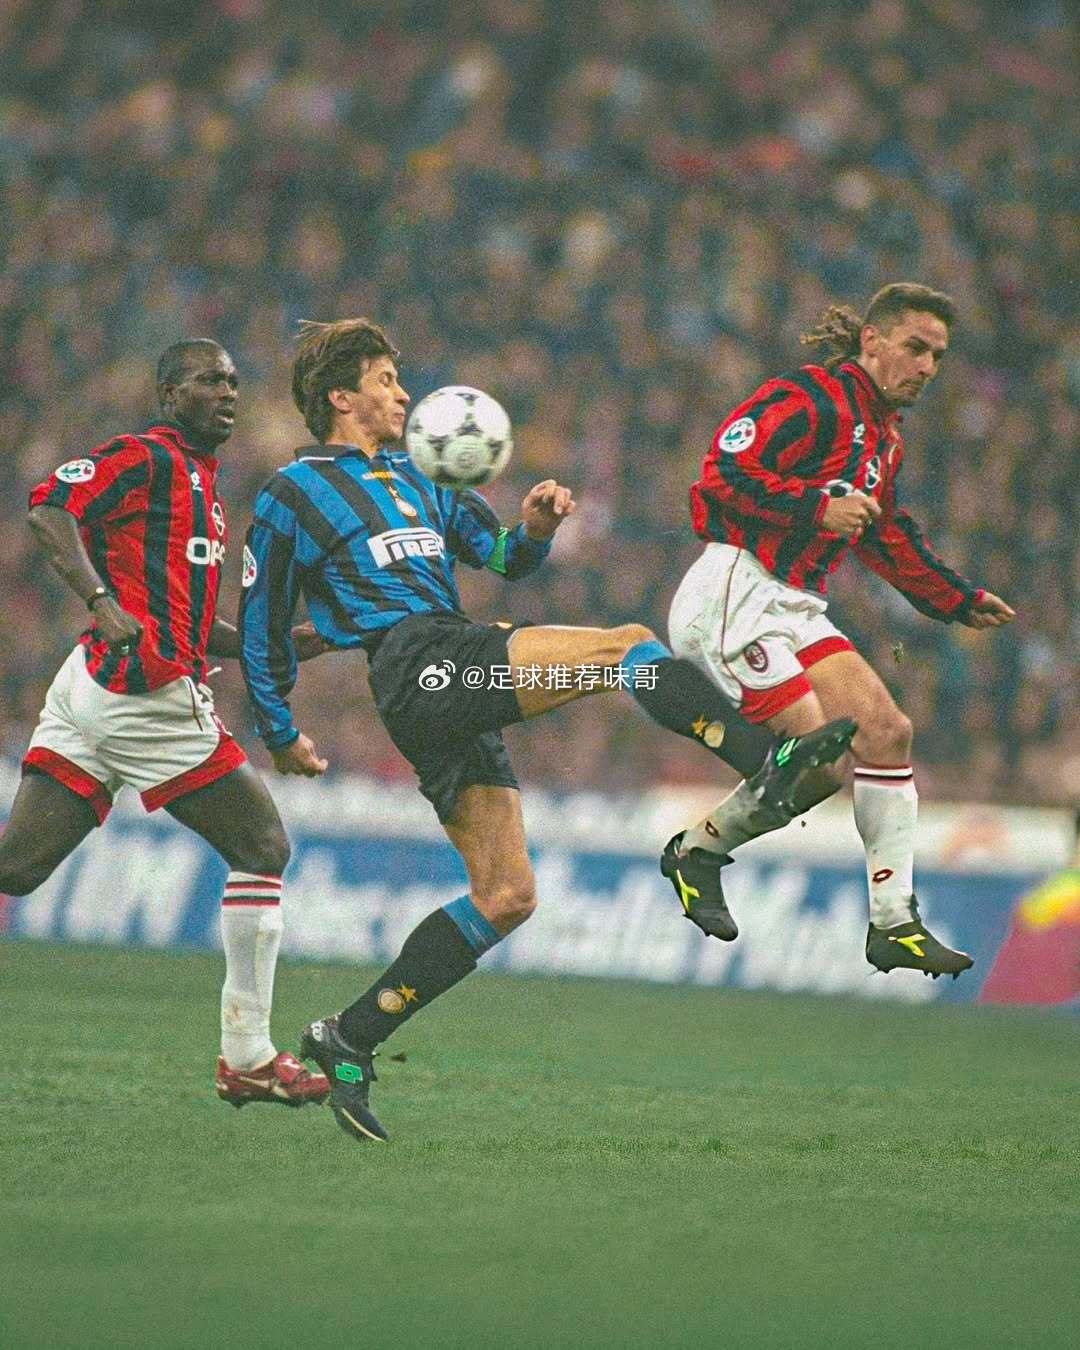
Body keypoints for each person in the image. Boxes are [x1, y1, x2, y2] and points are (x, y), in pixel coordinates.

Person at [238, 317, 856, 1144]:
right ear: (340, 397)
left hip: (451, 680)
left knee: (507, 896)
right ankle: (767, 759)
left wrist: (533, 528)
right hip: (420, 667)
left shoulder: (422, 476)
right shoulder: (293, 491)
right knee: (625, 648)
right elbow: (260, 620)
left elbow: (501, 559)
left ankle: (348, 1036)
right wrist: (278, 728)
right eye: (386, 380)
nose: (403, 393)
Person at [3, 339, 330, 1109]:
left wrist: (279, 644)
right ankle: (248, 1057)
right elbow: (49, 508)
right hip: (142, 697)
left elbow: (191, 625)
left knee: (16, 869)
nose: (228, 391)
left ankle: (247, 1057)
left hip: (93, 687)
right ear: (169, 394)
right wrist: (99, 601)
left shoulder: (204, 487)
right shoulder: (146, 457)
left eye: (234, 380)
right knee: (263, 847)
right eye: (209, 379)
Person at [663, 283, 1015, 977]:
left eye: (938, 356)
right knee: (816, 764)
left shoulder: (885, 438)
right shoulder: (809, 397)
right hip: (735, 589)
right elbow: (720, 475)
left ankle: (894, 923)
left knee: (887, 732)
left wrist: (955, 599)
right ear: (872, 341)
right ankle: (696, 853)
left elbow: (885, 535)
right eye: (915, 348)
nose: (927, 367)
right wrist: (813, 508)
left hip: (794, 604)